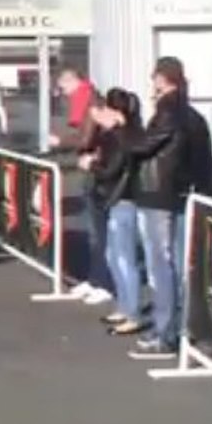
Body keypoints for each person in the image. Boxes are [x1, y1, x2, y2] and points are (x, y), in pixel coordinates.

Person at [104, 57, 212, 359]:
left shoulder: (169, 112)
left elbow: (142, 146)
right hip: (180, 194)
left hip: (158, 195)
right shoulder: (193, 116)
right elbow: (202, 161)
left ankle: (166, 333)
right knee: (179, 265)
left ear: (162, 80)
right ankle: (183, 328)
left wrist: (121, 128)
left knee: (161, 266)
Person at [80, 88, 146, 336]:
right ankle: (125, 306)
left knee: (123, 256)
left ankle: (133, 312)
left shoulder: (123, 137)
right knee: (113, 254)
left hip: (122, 198)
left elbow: (112, 170)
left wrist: (92, 164)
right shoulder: (116, 135)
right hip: (114, 198)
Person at [49, 65, 112, 303]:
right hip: (88, 166)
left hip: (95, 168)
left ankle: (103, 282)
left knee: (98, 229)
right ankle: (94, 278)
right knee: (91, 227)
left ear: (71, 81)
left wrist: (61, 140)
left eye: (63, 86)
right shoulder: (83, 99)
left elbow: (86, 137)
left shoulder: (87, 100)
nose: (62, 92)